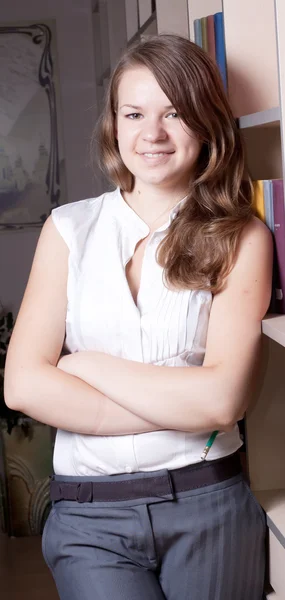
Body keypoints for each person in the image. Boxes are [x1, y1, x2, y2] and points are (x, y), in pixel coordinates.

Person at [5, 34, 273, 600]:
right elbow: (23, 383)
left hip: (209, 506)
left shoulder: (243, 235)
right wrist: (182, 406)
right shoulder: (67, 229)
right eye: (135, 113)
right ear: (115, 125)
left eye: (175, 112)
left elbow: (222, 402)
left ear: (206, 124)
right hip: (88, 517)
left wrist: (86, 365)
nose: (152, 134)